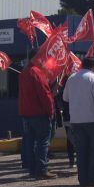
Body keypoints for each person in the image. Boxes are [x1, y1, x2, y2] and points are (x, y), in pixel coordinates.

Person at [64, 57, 94, 187]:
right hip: (93, 120)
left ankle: (82, 179)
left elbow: (65, 97)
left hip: (77, 121)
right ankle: (93, 178)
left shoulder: (71, 78)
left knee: (81, 151)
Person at [19, 51, 56, 179]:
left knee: (30, 142)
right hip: (39, 113)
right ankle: (42, 170)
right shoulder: (37, 72)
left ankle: (33, 169)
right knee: (42, 142)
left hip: (27, 113)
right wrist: (50, 111)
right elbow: (45, 94)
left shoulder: (24, 72)